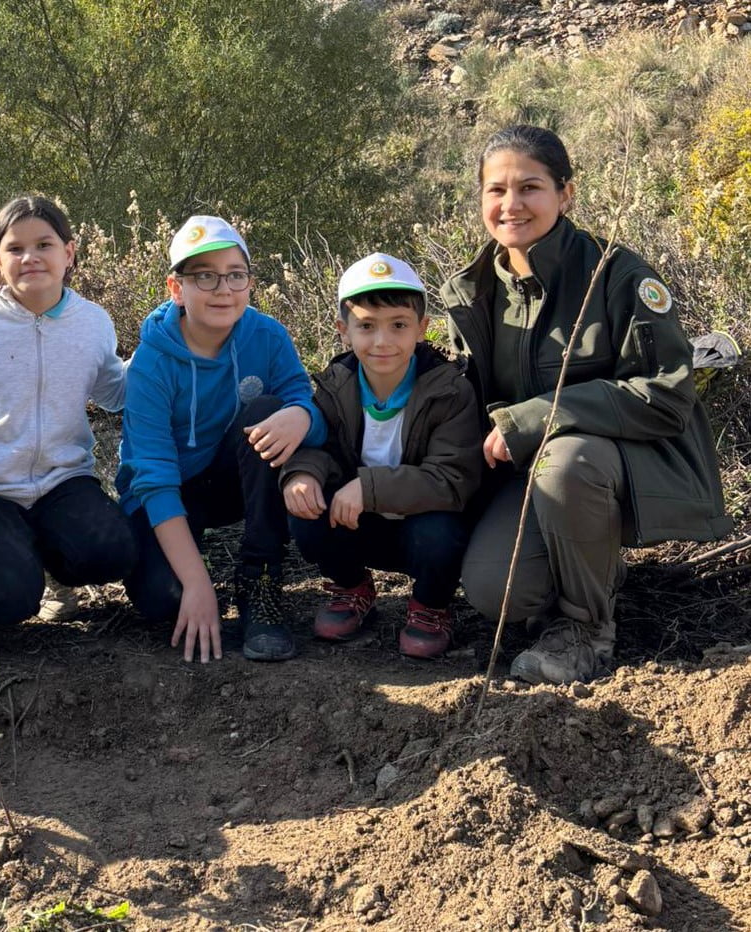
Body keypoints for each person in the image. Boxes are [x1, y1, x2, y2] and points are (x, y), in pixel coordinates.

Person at [442, 124, 731, 684]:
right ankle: (591, 568)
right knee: (495, 592)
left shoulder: (617, 275)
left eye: (530, 187)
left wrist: (537, 418)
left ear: (565, 193)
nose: (511, 204)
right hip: (528, 477)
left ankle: (586, 632)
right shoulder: (472, 291)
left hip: (622, 466)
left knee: (566, 460)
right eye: (496, 190)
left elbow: (667, 397)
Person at [117, 215, 326, 664]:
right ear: (176, 288)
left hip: (231, 478)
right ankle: (194, 565)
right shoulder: (151, 362)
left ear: (249, 282)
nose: (223, 289)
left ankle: (259, 577)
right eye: (205, 276)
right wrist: (197, 584)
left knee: (269, 411)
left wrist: (302, 415)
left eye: (235, 275)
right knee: (163, 600)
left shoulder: (267, 336)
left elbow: (310, 410)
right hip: (168, 490)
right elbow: (152, 476)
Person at [0, 195, 135, 629]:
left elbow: (115, 394)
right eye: (15, 248)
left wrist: (165, 344)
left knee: (112, 552)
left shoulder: (93, 321)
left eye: (44, 245)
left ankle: (50, 571)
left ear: (68, 253)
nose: (30, 257)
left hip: (63, 480)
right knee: (2, 599)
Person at [282, 253, 482, 659]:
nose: (382, 341)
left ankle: (430, 605)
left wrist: (368, 488)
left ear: (422, 328)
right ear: (343, 331)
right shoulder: (335, 385)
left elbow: (451, 479)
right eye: (366, 326)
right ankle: (352, 587)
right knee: (305, 511)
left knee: (440, 535)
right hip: (358, 522)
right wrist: (302, 474)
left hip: (422, 525)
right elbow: (320, 448)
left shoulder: (449, 390)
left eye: (399, 325)